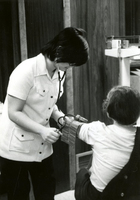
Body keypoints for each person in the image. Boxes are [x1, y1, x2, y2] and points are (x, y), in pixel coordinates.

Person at [0, 27, 89, 200]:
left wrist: (60, 118)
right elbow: (13, 112)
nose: (69, 68)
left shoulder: (59, 72)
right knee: (18, 195)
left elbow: (50, 102)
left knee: (47, 192)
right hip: (15, 148)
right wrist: (42, 130)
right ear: (59, 52)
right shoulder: (26, 71)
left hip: (42, 146)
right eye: (69, 63)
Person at [74, 86, 140, 200]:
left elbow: (72, 127)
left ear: (109, 113)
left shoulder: (97, 131)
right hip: (128, 193)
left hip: (99, 196)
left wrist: (62, 116)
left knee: (82, 172)